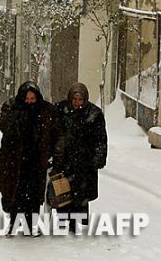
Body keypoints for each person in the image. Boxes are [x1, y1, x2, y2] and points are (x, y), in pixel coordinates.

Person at [0, 81, 64, 236]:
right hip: (15, 160)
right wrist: (17, 114)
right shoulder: (12, 107)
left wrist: (53, 154)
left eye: (32, 99)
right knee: (14, 193)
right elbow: (5, 127)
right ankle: (13, 224)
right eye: (26, 98)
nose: (29, 102)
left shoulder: (46, 110)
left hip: (36, 160)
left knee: (34, 195)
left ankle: (31, 225)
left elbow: (56, 133)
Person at [54, 82, 108, 232]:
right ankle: (64, 221)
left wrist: (98, 158)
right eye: (75, 99)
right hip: (64, 160)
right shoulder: (60, 110)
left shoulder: (94, 114)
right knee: (64, 192)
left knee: (80, 194)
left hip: (84, 162)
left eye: (80, 100)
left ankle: (76, 221)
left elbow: (100, 139)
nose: (77, 103)